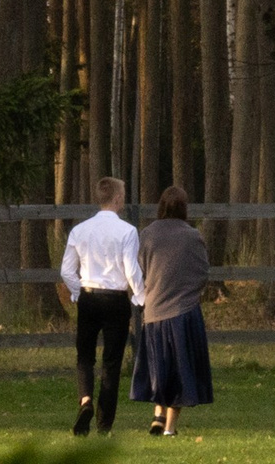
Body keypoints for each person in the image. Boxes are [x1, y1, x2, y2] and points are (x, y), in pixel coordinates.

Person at [57, 176, 144, 436]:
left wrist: (77, 293)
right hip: (115, 299)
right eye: (123, 195)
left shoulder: (80, 230)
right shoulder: (127, 231)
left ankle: (85, 400)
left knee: (84, 356)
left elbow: (66, 270)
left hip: (89, 296)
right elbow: (131, 269)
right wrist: (140, 297)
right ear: (117, 198)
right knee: (111, 362)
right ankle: (104, 424)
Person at [129, 185, 213, 436]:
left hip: (154, 311)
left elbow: (138, 268)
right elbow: (202, 271)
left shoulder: (148, 234)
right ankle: (170, 427)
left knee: (160, 367)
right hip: (183, 311)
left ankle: (157, 414)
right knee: (181, 370)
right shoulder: (192, 236)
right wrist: (191, 293)